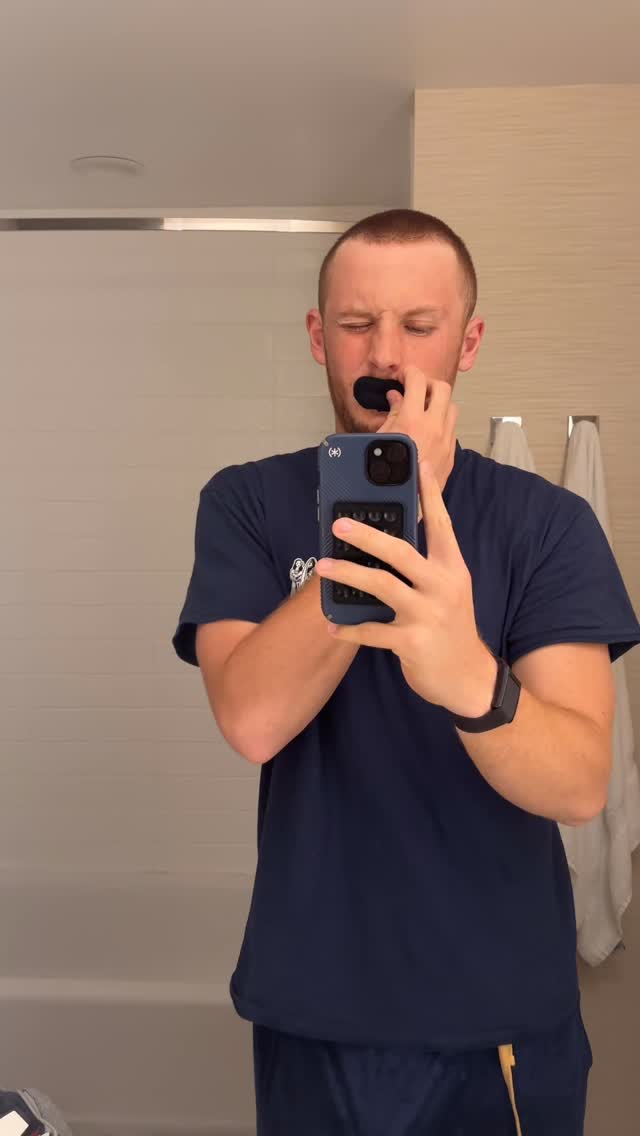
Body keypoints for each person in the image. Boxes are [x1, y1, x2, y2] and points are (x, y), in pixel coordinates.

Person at [172, 209, 640, 1135]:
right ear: (319, 337)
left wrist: (470, 679)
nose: (385, 354)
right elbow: (254, 721)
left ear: (468, 340)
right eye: (357, 324)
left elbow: (582, 782)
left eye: (419, 326)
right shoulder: (247, 503)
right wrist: (381, 507)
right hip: (312, 1007)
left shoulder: (546, 524)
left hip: (500, 1017)